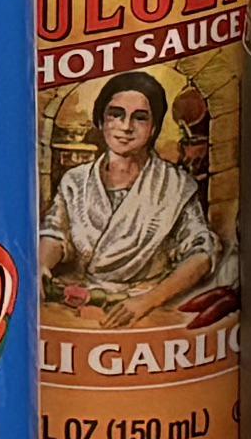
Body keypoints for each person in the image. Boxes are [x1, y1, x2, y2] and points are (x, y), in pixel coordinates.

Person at [43, 69, 228, 327]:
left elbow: (201, 253)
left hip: (148, 310)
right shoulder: (75, 181)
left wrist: (148, 301)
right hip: (79, 304)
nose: (126, 126)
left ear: (153, 128)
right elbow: (55, 233)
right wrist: (42, 265)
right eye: (116, 114)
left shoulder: (175, 185)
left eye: (140, 118)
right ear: (101, 121)